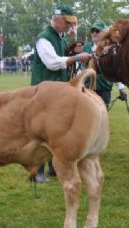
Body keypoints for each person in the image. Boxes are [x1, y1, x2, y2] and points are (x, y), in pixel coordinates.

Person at [30, 5, 92, 183]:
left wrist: (73, 57)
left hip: (56, 91)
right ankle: (37, 172)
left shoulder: (60, 39)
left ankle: (52, 168)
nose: (69, 27)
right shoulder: (44, 39)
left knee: (55, 131)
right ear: (57, 19)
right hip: (43, 92)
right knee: (42, 132)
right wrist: (77, 58)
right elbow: (52, 63)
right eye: (67, 22)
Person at [83, 20, 127, 108]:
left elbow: (115, 70)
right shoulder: (85, 48)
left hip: (104, 90)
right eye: (92, 31)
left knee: (101, 117)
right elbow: (80, 69)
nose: (94, 33)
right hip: (88, 88)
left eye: (97, 31)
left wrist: (121, 88)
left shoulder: (111, 49)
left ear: (105, 33)